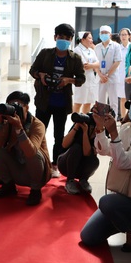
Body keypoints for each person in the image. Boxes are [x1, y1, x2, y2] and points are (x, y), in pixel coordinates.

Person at [80, 85, 131, 251]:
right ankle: (126, 224)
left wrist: (113, 133)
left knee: (106, 202)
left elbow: (123, 162)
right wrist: (100, 128)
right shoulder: (128, 129)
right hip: (121, 195)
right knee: (88, 236)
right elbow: (103, 150)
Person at [29, 23, 85, 177]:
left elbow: (81, 79)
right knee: (38, 132)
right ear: (55, 37)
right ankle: (37, 161)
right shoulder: (45, 54)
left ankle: (55, 164)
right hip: (43, 101)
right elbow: (32, 70)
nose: (64, 40)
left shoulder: (75, 59)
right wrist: (40, 75)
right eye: (61, 37)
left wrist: (68, 80)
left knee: (59, 136)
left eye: (67, 38)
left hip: (62, 102)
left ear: (71, 40)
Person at [0, 91, 52, 206]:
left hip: (36, 172)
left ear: (27, 107)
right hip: (17, 168)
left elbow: (31, 152)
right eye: (11, 106)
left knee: (35, 154)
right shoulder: (7, 123)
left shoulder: (37, 125)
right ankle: (8, 186)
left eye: (17, 106)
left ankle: (35, 191)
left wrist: (19, 128)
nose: (14, 110)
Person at [58, 112, 100, 195]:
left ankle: (83, 180)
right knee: (76, 148)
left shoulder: (99, 131)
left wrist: (85, 132)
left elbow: (87, 153)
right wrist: (76, 126)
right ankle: (70, 181)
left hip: (82, 166)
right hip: (65, 164)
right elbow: (64, 144)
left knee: (95, 160)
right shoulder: (79, 126)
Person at [94, 24, 123, 116]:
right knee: (100, 101)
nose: (103, 34)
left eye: (106, 33)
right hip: (100, 78)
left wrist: (107, 75)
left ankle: (112, 122)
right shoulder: (97, 47)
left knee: (113, 102)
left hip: (112, 77)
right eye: (102, 33)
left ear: (110, 35)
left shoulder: (116, 46)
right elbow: (95, 63)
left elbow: (117, 61)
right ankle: (101, 122)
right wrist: (100, 74)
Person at [72, 31, 99, 114]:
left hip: (91, 79)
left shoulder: (91, 51)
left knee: (88, 102)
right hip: (82, 79)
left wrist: (92, 65)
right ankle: (75, 123)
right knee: (78, 102)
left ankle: (84, 122)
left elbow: (98, 63)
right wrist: (93, 65)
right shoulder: (77, 50)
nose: (91, 40)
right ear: (82, 39)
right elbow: (84, 65)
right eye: (89, 38)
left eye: (92, 38)